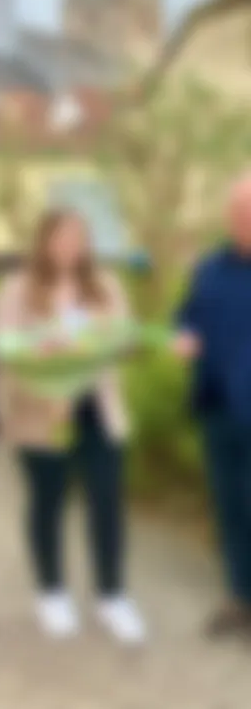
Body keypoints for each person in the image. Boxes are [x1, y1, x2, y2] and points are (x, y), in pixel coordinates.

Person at [0, 209, 145, 644]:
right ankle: (52, 591)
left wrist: (120, 337)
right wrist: (43, 389)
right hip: (41, 416)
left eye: (77, 239)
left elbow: (125, 341)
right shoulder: (18, 289)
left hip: (97, 412)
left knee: (107, 501)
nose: (69, 247)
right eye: (61, 238)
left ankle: (112, 595)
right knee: (48, 502)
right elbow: (7, 352)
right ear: (44, 242)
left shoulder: (104, 287)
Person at [175, 172, 251, 640]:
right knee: (230, 509)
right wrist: (184, 334)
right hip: (218, 410)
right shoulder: (210, 268)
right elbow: (189, 315)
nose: (244, 220)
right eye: (238, 212)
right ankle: (239, 599)